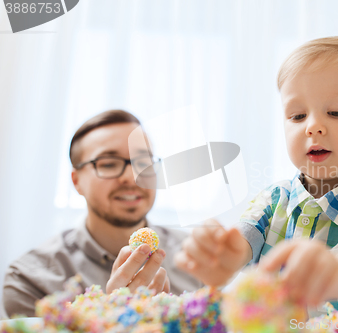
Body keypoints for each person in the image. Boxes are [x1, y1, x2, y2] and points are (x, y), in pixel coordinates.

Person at [175, 37, 338, 331]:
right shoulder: (272, 199)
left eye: (337, 112)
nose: (312, 125)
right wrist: (220, 256)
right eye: (297, 115)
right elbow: (240, 246)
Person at [2, 110, 202, 318]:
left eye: (143, 163)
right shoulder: (28, 280)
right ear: (76, 181)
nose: (132, 177)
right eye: (108, 163)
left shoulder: (196, 257)